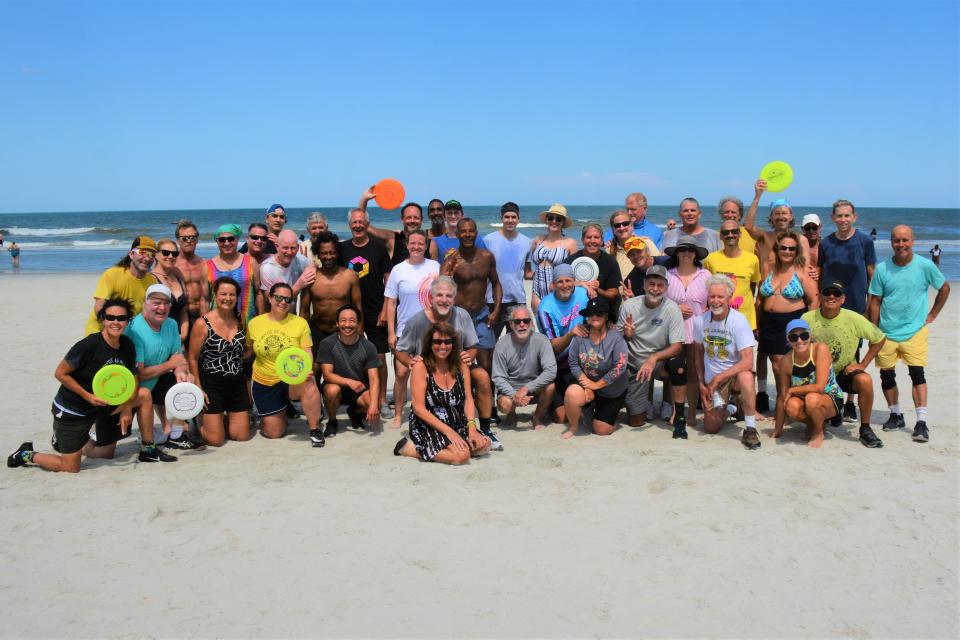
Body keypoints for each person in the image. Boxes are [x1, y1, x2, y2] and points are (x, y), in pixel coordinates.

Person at [7, 299, 171, 472]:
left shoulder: (128, 345)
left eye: (121, 318)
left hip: (106, 404)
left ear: (128, 321)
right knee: (70, 468)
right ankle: (27, 453)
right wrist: (87, 396)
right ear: (102, 320)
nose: (116, 322)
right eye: (111, 317)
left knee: (142, 396)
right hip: (75, 409)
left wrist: (127, 407)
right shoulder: (88, 345)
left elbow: (134, 378)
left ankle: (148, 450)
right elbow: (60, 373)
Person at [867, 225, 950, 443]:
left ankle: (921, 422)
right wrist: (874, 330)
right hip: (886, 331)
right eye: (896, 240)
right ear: (891, 242)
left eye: (905, 240)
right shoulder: (883, 269)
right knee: (887, 375)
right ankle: (895, 415)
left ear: (913, 241)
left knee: (917, 374)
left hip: (915, 331)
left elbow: (944, 288)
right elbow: (874, 300)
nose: (901, 244)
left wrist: (932, 314)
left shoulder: (924, 266)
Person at [395, 276, 499, 448]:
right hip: (430, 373)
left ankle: (486, 428)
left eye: (449, 296)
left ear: (454, 298)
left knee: (482, 376)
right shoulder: (417, 321)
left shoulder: (462, 315)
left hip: (457, 369)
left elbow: (473, 346)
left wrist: (469, 355)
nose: (444, 300)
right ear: (431, 297)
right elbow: (400, 350)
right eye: (440, 295)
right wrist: (411, 361)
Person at [802, 281, 886, 448]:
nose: (831, 296)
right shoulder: (807, 318)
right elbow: (798, 346)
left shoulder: (854, 318)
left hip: (843, 371)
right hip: (818, 375)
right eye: (827, 293)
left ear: (843, 299)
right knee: (812, 424)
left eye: (836, 294)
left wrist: (862, 364)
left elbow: (880, 338)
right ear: (819, 297)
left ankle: (865, 428)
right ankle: (830, 413)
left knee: (865, 380)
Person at [393, 323, 491, 464]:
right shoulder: (421, 367)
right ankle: (410, 449)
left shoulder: (461, 364)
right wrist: (449, 432)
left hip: (457, 420)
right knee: (461, 456)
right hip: (429, 423)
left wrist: (472, 427)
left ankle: (446, 448)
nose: (443, 346)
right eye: (437, 342)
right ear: (429, 344)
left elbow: (469, 400)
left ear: (453, 343)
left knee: (484, 445)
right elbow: (419, 409)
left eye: (447, 342)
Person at [125, 283, 201, 451]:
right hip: (134, 389)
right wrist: (171, 364)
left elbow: (178, 357)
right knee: (104, 450)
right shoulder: (134, 329)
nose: (162, 307)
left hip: (157, 381)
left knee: (188, 379)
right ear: (145, 303)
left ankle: (175, 434)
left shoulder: (172, 324)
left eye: (166, 303)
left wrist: (180, 370)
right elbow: (141, 373)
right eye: (156, 302)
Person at [247, 282, 324, 446]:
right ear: (269, 298)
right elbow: (248, 350)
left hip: (291, 378)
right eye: (278, 298)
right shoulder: (254, 323)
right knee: (274, 433)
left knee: (309, 382)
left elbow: (307, 351)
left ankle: (315, 429)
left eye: (288, 300)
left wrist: (307, 370)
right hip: (265, 381)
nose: (283, 302)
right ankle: (282, 409)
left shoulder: (300, 323)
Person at [618, 265, 689, 437]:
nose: (655, 289)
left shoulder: (672, 309)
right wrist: (626, 334)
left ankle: (678, 414)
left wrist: (654, 358)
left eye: (660, 285)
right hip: (635, 365)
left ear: (666, 287)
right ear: (643, 285)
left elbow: (677, 346)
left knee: (678, 364)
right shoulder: (629, 306)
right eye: (651, 284)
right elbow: (616, 340)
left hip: (659, 363)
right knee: (636, 421)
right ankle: (643, 402)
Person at [694, 275, 760, 449]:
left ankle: (750, 428)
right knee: (710, 427)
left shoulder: (739, 321)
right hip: (713, 381)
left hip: (734, 376)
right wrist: (701, 383)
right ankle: (731, 407)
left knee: (746, 376)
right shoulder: (700, 321)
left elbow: (748, 362)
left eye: (720, 297)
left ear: (729, 298)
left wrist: (719, 377)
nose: (715, 301)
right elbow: (698, 354)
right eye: (712, 296)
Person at [756, 230, 818, 413]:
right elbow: (760, 299)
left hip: (793, 322)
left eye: (792, 248)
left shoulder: (803, 271)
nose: (788, 251)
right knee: (775, 365)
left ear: (797, 250)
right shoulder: (768, 269)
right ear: (777, 248)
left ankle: (788, 401)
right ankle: (785, 401)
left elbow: (814, 300)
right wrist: (758, 325)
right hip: (769, 323)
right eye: (784, 247)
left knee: (786, 364)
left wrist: (808, 327)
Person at [340, 208, 393, 416]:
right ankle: (359, 396)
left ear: (367, 224)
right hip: (349, 310)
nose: (358, 225)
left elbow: (388, 279)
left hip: (375, 309)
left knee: (378, 357)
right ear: (349, 225)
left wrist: (385, 309)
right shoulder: (342, 248)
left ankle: (381, 399)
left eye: (361, 221)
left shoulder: (378, 248)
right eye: (354, 222)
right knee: (352, 356)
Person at [384, 231, 440, 428]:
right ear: (406, 245)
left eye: (421, 243)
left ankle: (427, 412)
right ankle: (399, 414)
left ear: (426, 246)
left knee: (430, 374)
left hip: (431, 330)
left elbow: (443, 297)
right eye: (413, 243)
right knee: (401, 374)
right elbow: (391, 303)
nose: (416, 247)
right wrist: (391, 332)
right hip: (405, 331)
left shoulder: (435, 267)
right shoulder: (398, 270)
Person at [187, 276, 252, 447]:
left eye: (232, 295)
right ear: (215, 294)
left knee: (241, 436)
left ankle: (219, 420)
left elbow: (246, 351)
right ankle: (195, 423)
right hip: (211, 383)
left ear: (237, 297)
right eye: (223, 294)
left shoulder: (241, 319)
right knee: (215, 441)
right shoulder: (203, 323)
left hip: (236, 383)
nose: (227, 298)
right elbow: (192, 358)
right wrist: (198, 389)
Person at [560, 297, 629, 440]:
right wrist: (587, 384)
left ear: (607, 316)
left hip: (611, 389)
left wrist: (596, 385)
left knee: (601, 429)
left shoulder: (616, 337)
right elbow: (573, 362)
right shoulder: (580, 335)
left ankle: (606, 412)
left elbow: (620, 366)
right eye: (591, 313)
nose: (594, 317)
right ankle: (574, 426)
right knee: (572, 393)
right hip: (588, 382)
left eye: (599, 313)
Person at [440, 217, 502, 373]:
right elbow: (441, 291)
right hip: (458, 317)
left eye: (471, 231)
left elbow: (496, 284)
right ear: (458, 234)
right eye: (463, 231)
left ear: (476, 233)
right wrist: (448, 275)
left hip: (482, 315)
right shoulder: (451, 260)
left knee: (486, 363)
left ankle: (484, 395)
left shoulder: (487, 257)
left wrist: (496, 310)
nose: (467, 234)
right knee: (457, 362)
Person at [772, 319, 843, 448]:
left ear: (810, 336)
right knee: (791, 406)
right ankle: (814, 423)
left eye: (804, 335)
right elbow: (783, 396)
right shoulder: (786, 361)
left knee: (812, 398)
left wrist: (792, 391)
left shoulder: (820, 349)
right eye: (794, 337)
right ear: (788, 340)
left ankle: (818, 432)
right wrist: (778, 428)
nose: (799, 341)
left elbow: (820, 387)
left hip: (829, 396)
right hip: (805, 399)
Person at [664, 236, 711, 425]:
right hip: (673, 331)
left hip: (697, 331)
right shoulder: (668, 275)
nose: (686, 253)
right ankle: (677, 411)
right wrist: (676, 308)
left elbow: (714, 300)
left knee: (693, 372)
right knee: (675, 371)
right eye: (682, 249)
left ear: (696, 253)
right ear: (677, 253)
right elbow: (660, 301)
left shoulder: (705, 275)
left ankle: (691, 412)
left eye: (690, 250)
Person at [536, 264, 590, 425]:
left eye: (568, 281)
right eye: (560, 282)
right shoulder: (545, 308)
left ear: (574, 281)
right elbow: (554, 346)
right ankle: (550, 404)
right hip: (557, 362)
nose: (565, 285)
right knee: (561, 418)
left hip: (580, 359)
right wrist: (570, 333)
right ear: (553, 284)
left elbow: (593, 323)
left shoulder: (583, 294)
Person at [318, 304, 382, 437]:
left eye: (352, 321)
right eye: (343, 320)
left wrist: (374, 405)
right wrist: (349, 382)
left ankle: (355, 412)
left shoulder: (368, 346)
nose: (347, 324)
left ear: (358, 323)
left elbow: (374, 379)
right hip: (337, 385)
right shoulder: (327, 343)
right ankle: (332, 421)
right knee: (331, 391)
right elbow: (327, 375)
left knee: (375, 402)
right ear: (337, 323)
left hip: (359, 389)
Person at [491, 306, 556, 430]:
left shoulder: (542, 341)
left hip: (534, 388)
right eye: (517, 321)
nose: (522, 324)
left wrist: (526, 388)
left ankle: (537, 417)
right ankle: (511, 413)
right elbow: (498, 377)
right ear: (511, 324)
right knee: (505, 405)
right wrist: (515, 395)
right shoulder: (501, 344)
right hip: (510, 389)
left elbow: (551, 371)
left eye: (526, 321)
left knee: (551, 386)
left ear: (531, 323)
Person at [83, 236, 160, 336]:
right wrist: (108, 334)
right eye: (142, 252)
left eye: (152, 254)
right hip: (100, 331)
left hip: (128, 334)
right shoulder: (112, 274)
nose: (147, 258)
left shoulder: (152, 282)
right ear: (131, 254)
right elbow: (99, 306)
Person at [299, 231, 361, 352]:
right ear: (318, 254)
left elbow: (357, 307)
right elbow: (304, 311)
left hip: (344, 332)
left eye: (332, 252)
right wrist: (302, 339)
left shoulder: (350, 276)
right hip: (317, 332)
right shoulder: (311, 277)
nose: (328, 257)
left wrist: (359, 332)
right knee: (314, 370)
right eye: (324, 253)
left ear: (337, 253)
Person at [483, 202, 533, 337]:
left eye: (513, 217)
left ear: (518, 219)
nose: (510, 220)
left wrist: (548, 272)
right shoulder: (488, 240)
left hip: (517, 299)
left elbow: (528, 272)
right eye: (507, 217)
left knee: (518, 341)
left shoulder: (527, 242)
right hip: (493, 299)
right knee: (490, 342)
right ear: (501, 219)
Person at [818, 199, 876, 315]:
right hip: (831, 306)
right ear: (833, 217)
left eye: (847, 215)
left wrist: (868, 308)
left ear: (854, 217)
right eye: (839, 216)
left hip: (858, 307)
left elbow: (873, 279)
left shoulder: (865, 241)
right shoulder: (825, 243)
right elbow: (820, 277)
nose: (843, 220)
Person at [703, 220, 762, 331]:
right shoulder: (711, 259)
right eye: (725, 232)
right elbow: (706, 288)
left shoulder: (752, 259)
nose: (730, 235)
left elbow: (753, 285)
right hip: (718, 318)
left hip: (745, 319)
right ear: (720, 236)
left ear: (740, 234)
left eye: (734, 231)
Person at [743, 183, 810, 271]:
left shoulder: (801, 240)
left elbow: (806, 268)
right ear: (771, 217)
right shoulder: (765, 237)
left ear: (791, 216)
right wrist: (757, 196)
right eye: (777, 213)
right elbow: (748, 226)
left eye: (784, 213)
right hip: (767, 283)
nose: (781, 217)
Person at [205, 224, 261, 324]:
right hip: (218, 325)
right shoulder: (207, 266)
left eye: (231, 239)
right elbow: (204, 300)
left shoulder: (251, 262)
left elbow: (258, 294)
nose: (227, 243)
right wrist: (206, 323)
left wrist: (261, 319)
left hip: (248, 323)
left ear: (237, 239)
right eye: (222, 240)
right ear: (217, 241)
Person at [529, 203, 578, 314]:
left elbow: (574, 271)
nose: (554, 221)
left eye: (558, 219)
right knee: (541, 326)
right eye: (551, 218)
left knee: (557, 327)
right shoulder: (538, 240)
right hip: (537, 291)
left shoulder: (570, 243)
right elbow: (529, 261)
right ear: (546, 220)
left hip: (559, 292)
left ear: (563, 222)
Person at [359, 187, 426, 266]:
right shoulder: (392, 239)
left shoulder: (430, 243)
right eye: (408, 217)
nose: (412, 221)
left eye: (416, 217)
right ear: (402, 219)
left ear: (421, 220)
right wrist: (364, 200)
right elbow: (365, 227)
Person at [564, 223, 621, 309]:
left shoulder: (610, 261)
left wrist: (598, 289)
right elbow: (553, 287)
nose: (592, 241)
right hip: (575, 308)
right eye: (588, 237)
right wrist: (578, 284)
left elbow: (613, 295)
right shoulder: (570, 261)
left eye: (596, 237)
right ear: (582, 240)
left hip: (602, 310)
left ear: (602, 241)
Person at [258, 229, 315, 310]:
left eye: (293, 248)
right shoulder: (267, 268)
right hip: (275, 314)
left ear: (298, 247)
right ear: (277, 247)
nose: (289, 252)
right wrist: (298, 285)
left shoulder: (301, 260)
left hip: (293, 314)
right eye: (285, 248)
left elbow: (313, 271)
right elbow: (271, 302)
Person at [173, 220, 210, 338]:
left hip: (202, 316)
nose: (189, 241)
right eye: (184, 238)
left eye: (192, 237)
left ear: (197, 239)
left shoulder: (205, 263)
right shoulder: (171, 265)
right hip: (181, 319)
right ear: (178, 240)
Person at [151, 238, 190, 343]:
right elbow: (149, 314)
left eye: (174, 254)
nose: (170, 256)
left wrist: (184, 334)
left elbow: (183, 311)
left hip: (179, 337)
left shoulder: (179, 278)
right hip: (159, 338)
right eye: (165, 253)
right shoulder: (151, 279)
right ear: (156, 254)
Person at [606, 209, 659, 282]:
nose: (622, 228)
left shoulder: (646, 243)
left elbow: (660, 267)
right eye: (617, 225)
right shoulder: (609, 250)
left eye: (625, 223)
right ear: (613, 229)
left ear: (632, 225)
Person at [800, 213, 823, 283]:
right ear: (802, 229)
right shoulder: (796, 247)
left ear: (820, 227)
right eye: (807, 228)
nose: (811, 231)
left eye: (814, 227)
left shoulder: (825, 246)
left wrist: (820, 271)